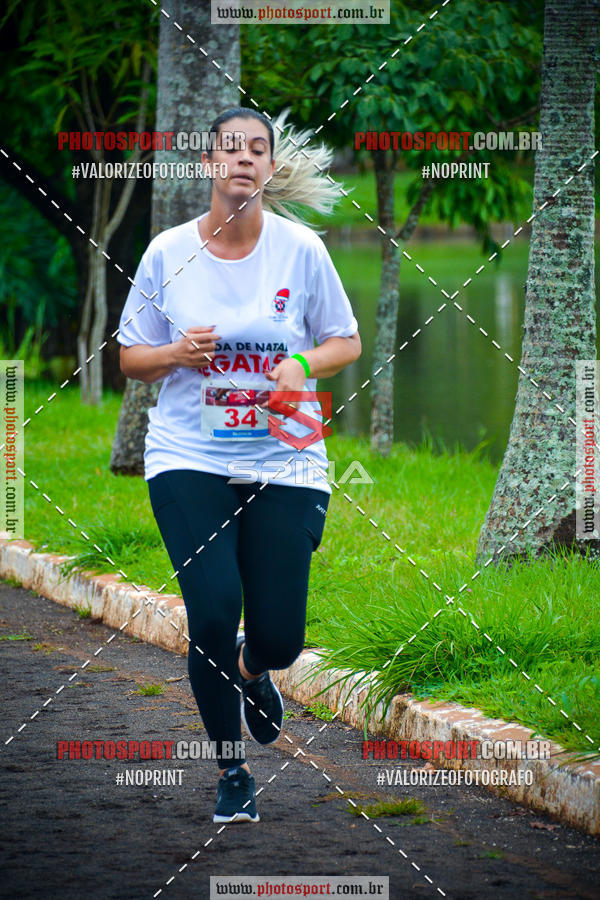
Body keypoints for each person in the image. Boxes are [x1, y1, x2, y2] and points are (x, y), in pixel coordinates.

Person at [117, 107, 361, 824]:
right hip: (188, 454)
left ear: (269, 165)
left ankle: (255, 674)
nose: (245, 159)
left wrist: (300, 363)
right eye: (231, 148)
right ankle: (231, 769)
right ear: (208, 165)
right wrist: (174, 355)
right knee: (215, 610)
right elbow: (131, 358)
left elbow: (344, 342)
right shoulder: (168, 253)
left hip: (285, 456)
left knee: (281, 636)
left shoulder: (301, 250)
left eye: (259, 148)